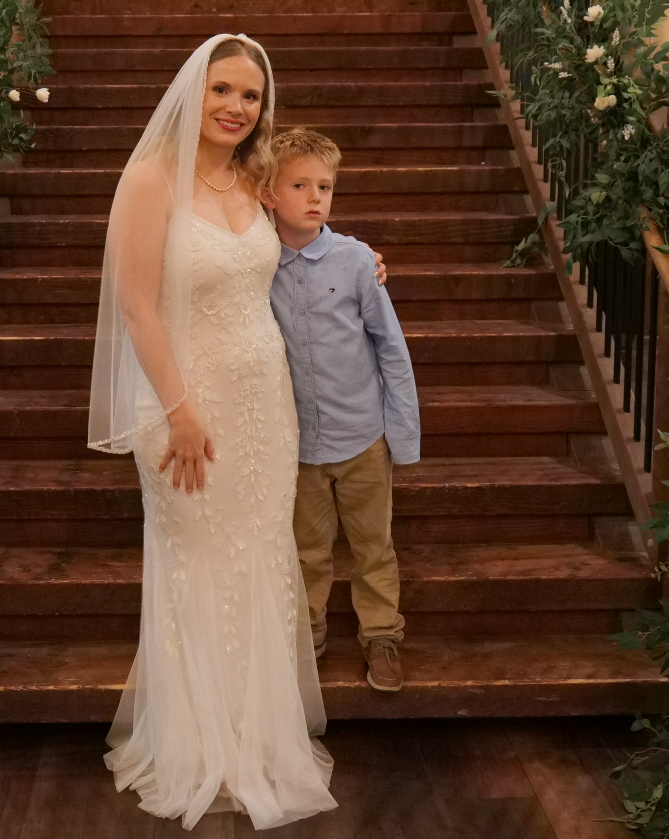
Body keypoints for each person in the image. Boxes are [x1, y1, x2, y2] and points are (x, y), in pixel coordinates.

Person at [87, 35, 339, 830]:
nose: (236, 107)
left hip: (267, 400)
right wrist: (179, 408)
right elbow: (136, 306)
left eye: (252, 96)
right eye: (223, 90)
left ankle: (256, 739)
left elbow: (302, 232)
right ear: (194, 90)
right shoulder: (150, 177)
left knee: (262, 555)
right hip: (184, 404)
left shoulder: (253, 177)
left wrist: (362, 265)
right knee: (196, 557)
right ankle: (200, 746)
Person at [262, 129, 421, 693]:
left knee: (373, 546)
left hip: (362, 439)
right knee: (306, 552)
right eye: (299, 184)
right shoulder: (257, 263)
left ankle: (382, 635)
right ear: (269, 193)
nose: (314, 197)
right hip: (298, 445)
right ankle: (308, 636)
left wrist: (402, 435)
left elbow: (391, 348)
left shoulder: (356, 261)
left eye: (324, 187)